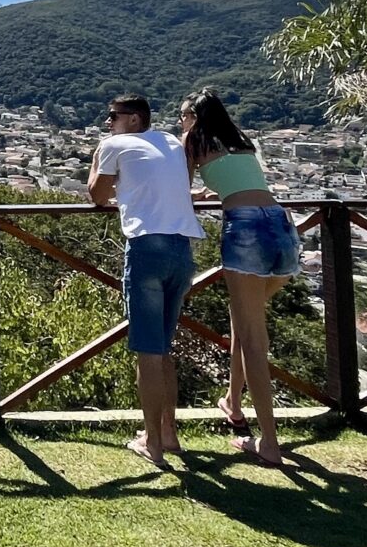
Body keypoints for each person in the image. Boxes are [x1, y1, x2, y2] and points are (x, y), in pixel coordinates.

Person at [179, 89, 300, 467]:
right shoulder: (240, 141)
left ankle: (269, 442)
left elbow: (180, 190)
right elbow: (238, 182)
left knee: (252, 339)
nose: (182, 121)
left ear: (196, 118)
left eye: (184, 116)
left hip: (245, 228)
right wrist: (209, 189)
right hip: (280, 224)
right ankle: (233, 403)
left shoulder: (194, 140)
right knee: (243, 322)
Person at [88, 94, 204, 469]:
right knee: (164, 348)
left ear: (135, 119)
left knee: (148, 353)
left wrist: (98, 156)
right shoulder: (170, 141)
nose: (108, 123)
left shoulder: (115, 144)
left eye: (113, 116)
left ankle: (152, 443)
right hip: (182, 249)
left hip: (146, 248)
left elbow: (96, 195)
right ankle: (170, 434)